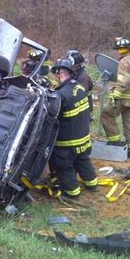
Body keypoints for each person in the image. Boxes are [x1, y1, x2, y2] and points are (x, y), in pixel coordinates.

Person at [49, 58, 97, 197]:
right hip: (83, 138)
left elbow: (53, 117)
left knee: (64, 167)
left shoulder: (61, 95)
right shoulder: (79, 87)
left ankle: (72, 193)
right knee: (83, 161)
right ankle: (92, 184)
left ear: (60, 73)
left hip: (67, 143)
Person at [100, 37, 130, 159]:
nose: (119, 51)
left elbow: (123, 80)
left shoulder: (124, 61)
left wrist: (115, 94)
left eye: (120, 49)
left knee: (106, 114)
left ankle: (115, 143)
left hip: (124, 97)